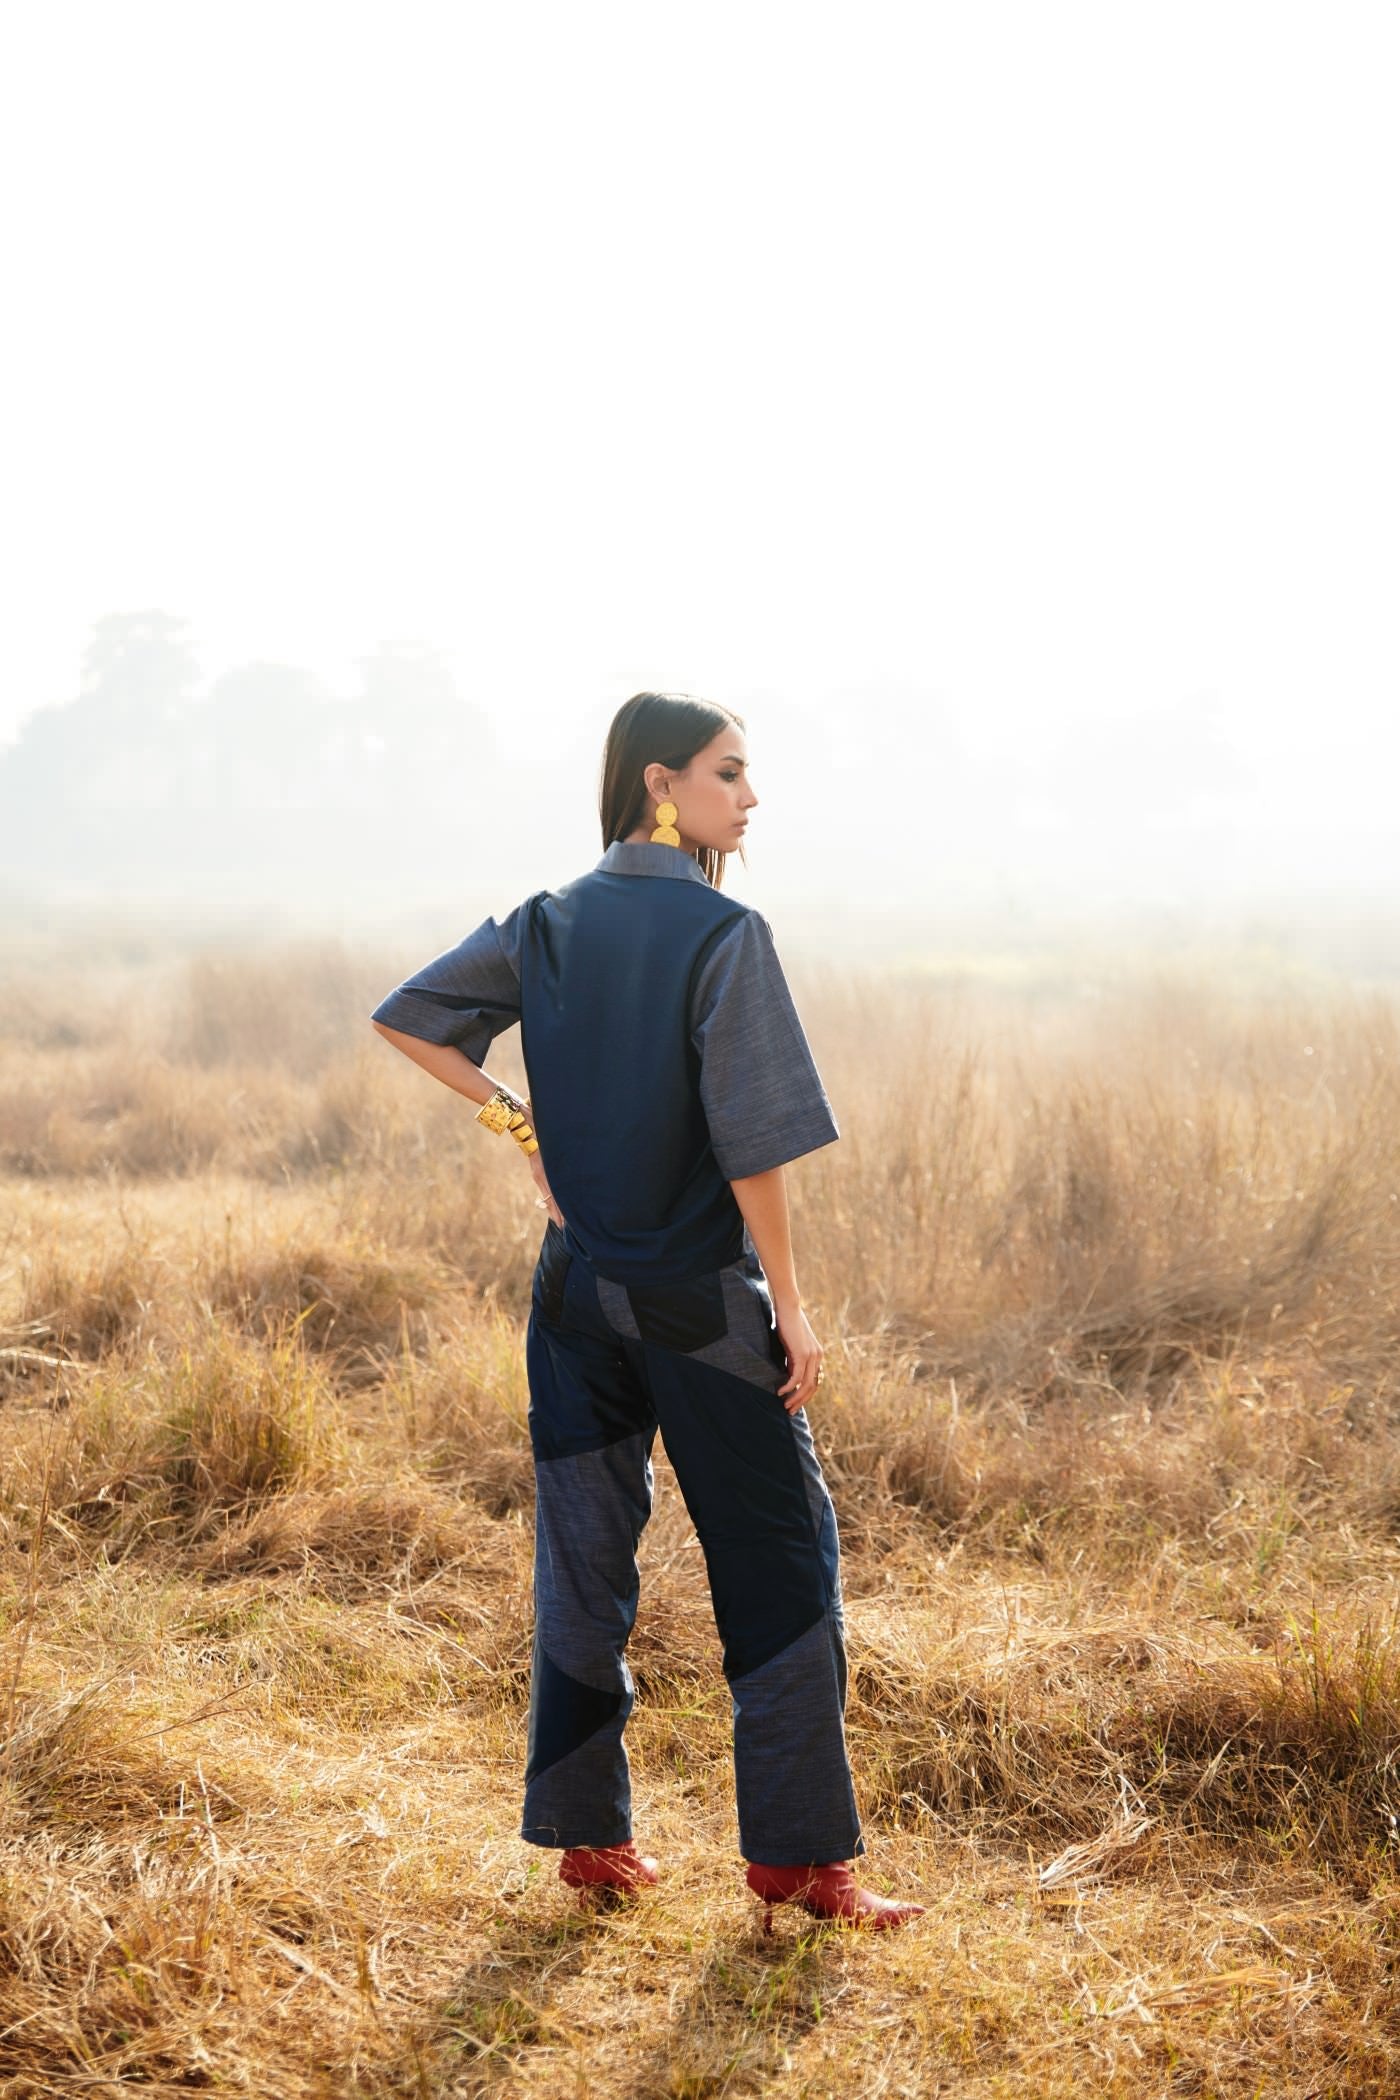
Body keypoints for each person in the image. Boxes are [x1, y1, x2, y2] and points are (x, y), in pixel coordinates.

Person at [370, 691, 924, 1933]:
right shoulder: (721, 932)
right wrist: (792, 1306)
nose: (750, 797)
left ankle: (587, 1839)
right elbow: (755, 1146)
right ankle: (798, 1863)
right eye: (731, 774)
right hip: (693, 1305)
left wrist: (520, 1130)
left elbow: (406, 1019)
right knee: (781, 1561)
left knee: (581, 1556)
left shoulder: (547, 920)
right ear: (662, 785)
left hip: (572, 1295)